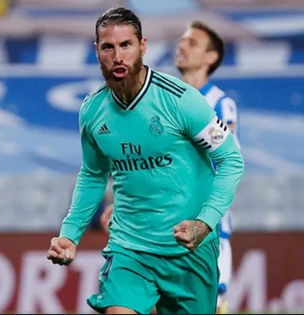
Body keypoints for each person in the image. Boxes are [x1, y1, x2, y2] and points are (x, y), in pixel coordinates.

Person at [47, 7, 244, 315]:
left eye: (126, 45)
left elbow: (231, 160)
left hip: (189, 252)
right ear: (96, 51)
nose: (117, 55)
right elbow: (93, 174)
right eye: (108, 46)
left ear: (143, 46)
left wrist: (205, 223)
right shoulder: (92, 110)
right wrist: (70, 234)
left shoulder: (182, 100)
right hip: (130, 248)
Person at [100, 20, 241, 313]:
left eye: (192, 43)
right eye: (182, 41)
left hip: (200, 227)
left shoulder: (218, 103)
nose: (182, 46)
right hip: (156, 225)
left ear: (211, 57)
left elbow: (225, 159)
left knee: (212, 304)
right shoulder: (160, 98)